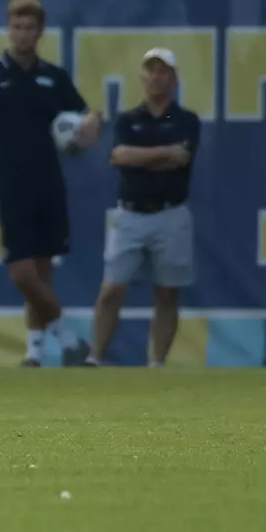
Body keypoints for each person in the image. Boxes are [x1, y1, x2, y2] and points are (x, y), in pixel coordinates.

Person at [0, 0, 99, 366]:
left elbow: (87, 116)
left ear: (40, 32)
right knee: (21, 272)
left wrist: (90, 125)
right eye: (16, 27)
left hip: (49, 184)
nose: (22, 34)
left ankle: (34, 351)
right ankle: (68, 339)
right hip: (10, 186)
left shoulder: (54, 77)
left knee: (41, 271)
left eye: (29, 27)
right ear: (8, 29)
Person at [88, 48, 199, 367]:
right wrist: (162, 153)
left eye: (163, 71)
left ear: (174, 79)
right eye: (150, 71)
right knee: (111, 289)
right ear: (142, 77)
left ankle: (156, 363)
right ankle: (94, 357)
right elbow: (118, 157)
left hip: (171, 213)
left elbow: (182, 159)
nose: (156, 77)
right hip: (130, 213)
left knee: (167, 292)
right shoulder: (128, 119)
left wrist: (137, 157)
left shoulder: (186, 120)